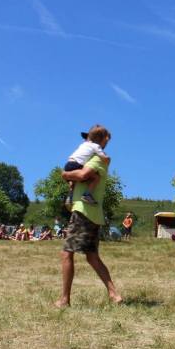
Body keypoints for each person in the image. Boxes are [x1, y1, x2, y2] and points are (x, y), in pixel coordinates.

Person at [55, 129, 122, 308]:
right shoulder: (92, 159)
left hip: (83, 211)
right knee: (92, 257)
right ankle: (114, 294)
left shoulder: (96, 160)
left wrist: (65, 174)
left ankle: (64, 300)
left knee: (66, 253)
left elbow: (82, 175)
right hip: (92, 214)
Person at [63, 125, 111, 207]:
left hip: (68, 164)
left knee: (73, 182)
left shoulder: (83, 144)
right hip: (76, 165)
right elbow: (103, 156)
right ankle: (87, 194)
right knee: (96, 178)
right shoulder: (96, 147)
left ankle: (69, 197)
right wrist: (107, 159)